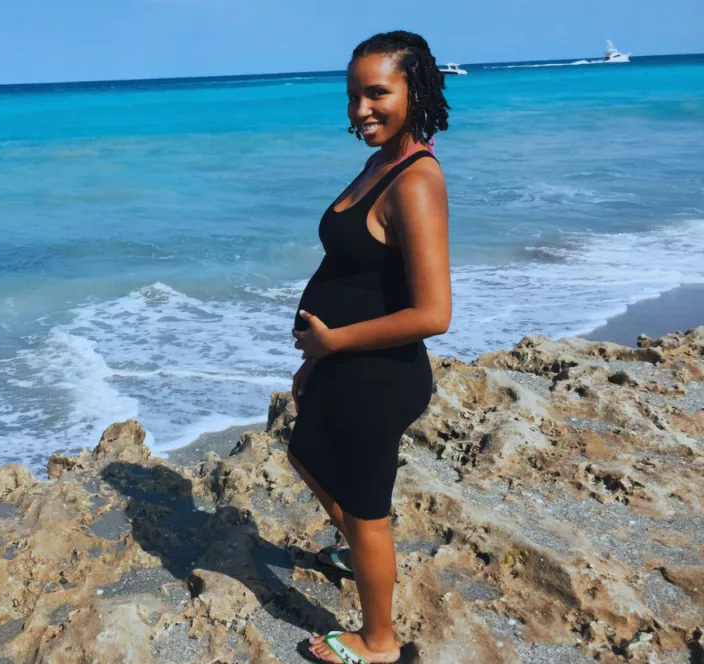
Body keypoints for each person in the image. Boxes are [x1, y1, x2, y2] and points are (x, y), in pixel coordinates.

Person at [288, 30, 452, 664]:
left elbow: (434, 313)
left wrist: (331, 345)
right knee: (305, 452)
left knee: (366, 508)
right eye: (354, 96)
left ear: (416, 89)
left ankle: (378, 642)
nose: (362, 110)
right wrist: (318, 359)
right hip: (343, 366)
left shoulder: (416, 179)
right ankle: (354, 550)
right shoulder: (378, 161)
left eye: (378, 93)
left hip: (377, 377)